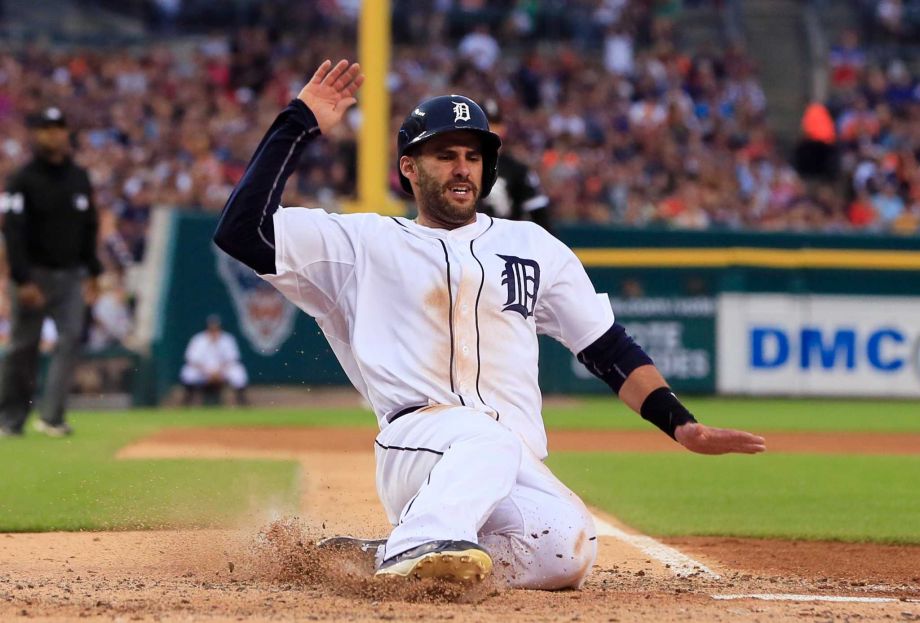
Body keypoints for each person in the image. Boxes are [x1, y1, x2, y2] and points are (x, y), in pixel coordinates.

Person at [213, 59, 766, 588]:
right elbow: (242, 231)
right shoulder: (363, 243)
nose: (461, 167)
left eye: (473, 156)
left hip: (507, 461)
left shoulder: (531, 246)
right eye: (444, 155)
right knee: (488, 437)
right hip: (420, 442)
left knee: (567, 546)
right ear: (409, 167)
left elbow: (607, 347)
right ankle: (419, 543)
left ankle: (384, 557)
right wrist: (297, 123)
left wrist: (682, 425)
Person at [0, 106, 102, 438]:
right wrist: (22, 278)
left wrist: (94, 272)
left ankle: (52, 417)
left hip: (71, 275)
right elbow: (12, 230)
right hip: (34, 275)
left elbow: (89, 226)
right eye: (45, 128)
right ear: (36, 134)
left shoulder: (79, 178)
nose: (52, 134)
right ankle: (11, 419)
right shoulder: (22, 179)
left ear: (65, 132)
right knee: (23, 347)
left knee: (71, 339)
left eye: (57, 127)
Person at [478, 98, 553, 233]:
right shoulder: (461, 167)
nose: (491, 130)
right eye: (486, 124)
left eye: (495, 124)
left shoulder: (518, 170)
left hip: (505, 242)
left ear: (503, 128)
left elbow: (540, 217)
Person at [179, 315, 249, 406]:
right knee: (188, 372)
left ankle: (242, 400)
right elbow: (191, 359)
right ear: (207, 328)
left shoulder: (227, 339)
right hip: (202, 371)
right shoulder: (199, 339)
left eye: (216, 328)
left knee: (238, 372)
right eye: (211, 328)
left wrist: (218, 372)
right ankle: (187, 400)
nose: (214, 331)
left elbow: (232, 359)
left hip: (222, 370)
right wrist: (207, 372)